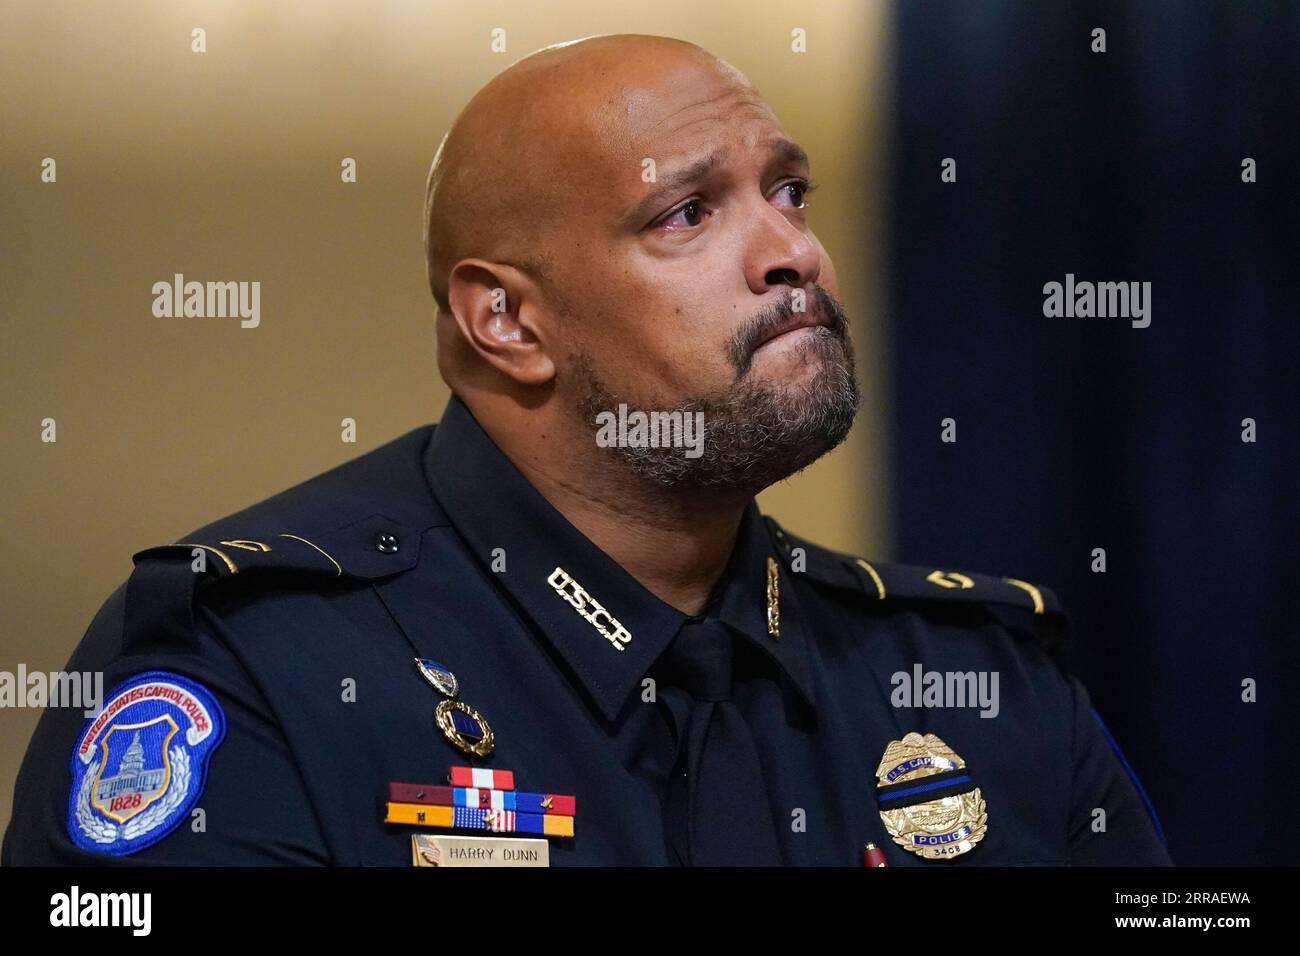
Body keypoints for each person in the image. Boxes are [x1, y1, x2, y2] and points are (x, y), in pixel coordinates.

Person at [3, 34, 1170, 866]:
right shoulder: (253, 665)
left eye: (790, 190)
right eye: (686, 214)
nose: (793, 254)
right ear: (506, 320)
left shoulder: (980, 678)